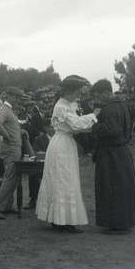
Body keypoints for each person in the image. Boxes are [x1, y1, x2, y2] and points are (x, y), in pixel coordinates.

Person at [36, 75, 100, 233]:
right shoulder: (61, 106)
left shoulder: (69, 104)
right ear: (69, 91)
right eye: (77, 91)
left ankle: (64, 219)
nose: (78, 95)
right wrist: (95, 114)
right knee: (62, 180)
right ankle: (60, 220)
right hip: (61, 145)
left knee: (66, 180)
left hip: (66, 143)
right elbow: (76, 124)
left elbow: (78, 125)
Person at [90, 79, 135, 235]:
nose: (98, 99)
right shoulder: (121, 105)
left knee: (111, 187)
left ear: (106, 92)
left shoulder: (110, 108)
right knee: (123, 187)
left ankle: (115, 224)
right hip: (121, 152)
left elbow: (111, 130)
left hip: (111, 154)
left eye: (99, 95)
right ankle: (124, 222)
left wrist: (94, 125)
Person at [0, 86, 26, 220]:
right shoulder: (4, 109)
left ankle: (8, 206)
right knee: (10, 177)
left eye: (19, 98)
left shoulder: (9, 110)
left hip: (13, 148)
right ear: (8, 96)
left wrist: (19, 132)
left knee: (11, 177)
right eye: (16, 97)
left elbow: (8, 126)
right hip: (10, 149)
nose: (18, 100)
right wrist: (6, 136)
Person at [24, 118, 54, 209]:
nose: (54, 129)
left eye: (55, 127)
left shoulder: (59, 139)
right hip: (43, 166)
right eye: (51, 127)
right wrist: (41, 154)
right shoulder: (39, 139)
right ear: (45, 128)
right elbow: (34, 151)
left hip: (57, 167)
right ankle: (33, 199)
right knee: (33, 175)